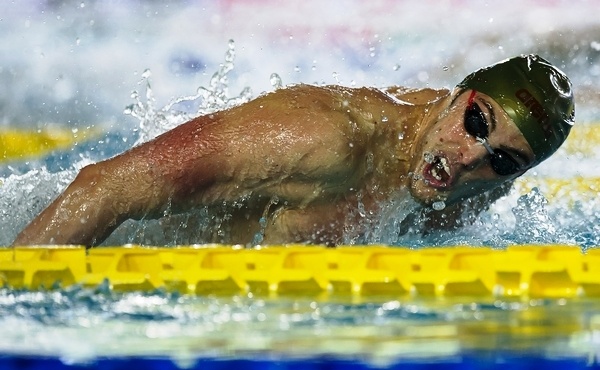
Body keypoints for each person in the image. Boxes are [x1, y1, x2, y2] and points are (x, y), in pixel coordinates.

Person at [13, 54, 574, 248]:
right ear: (456, 93)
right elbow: (105, 187)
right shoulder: (325, 141)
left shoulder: (477, 189)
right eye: (476, 121)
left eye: (503, 160)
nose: (472, 156)